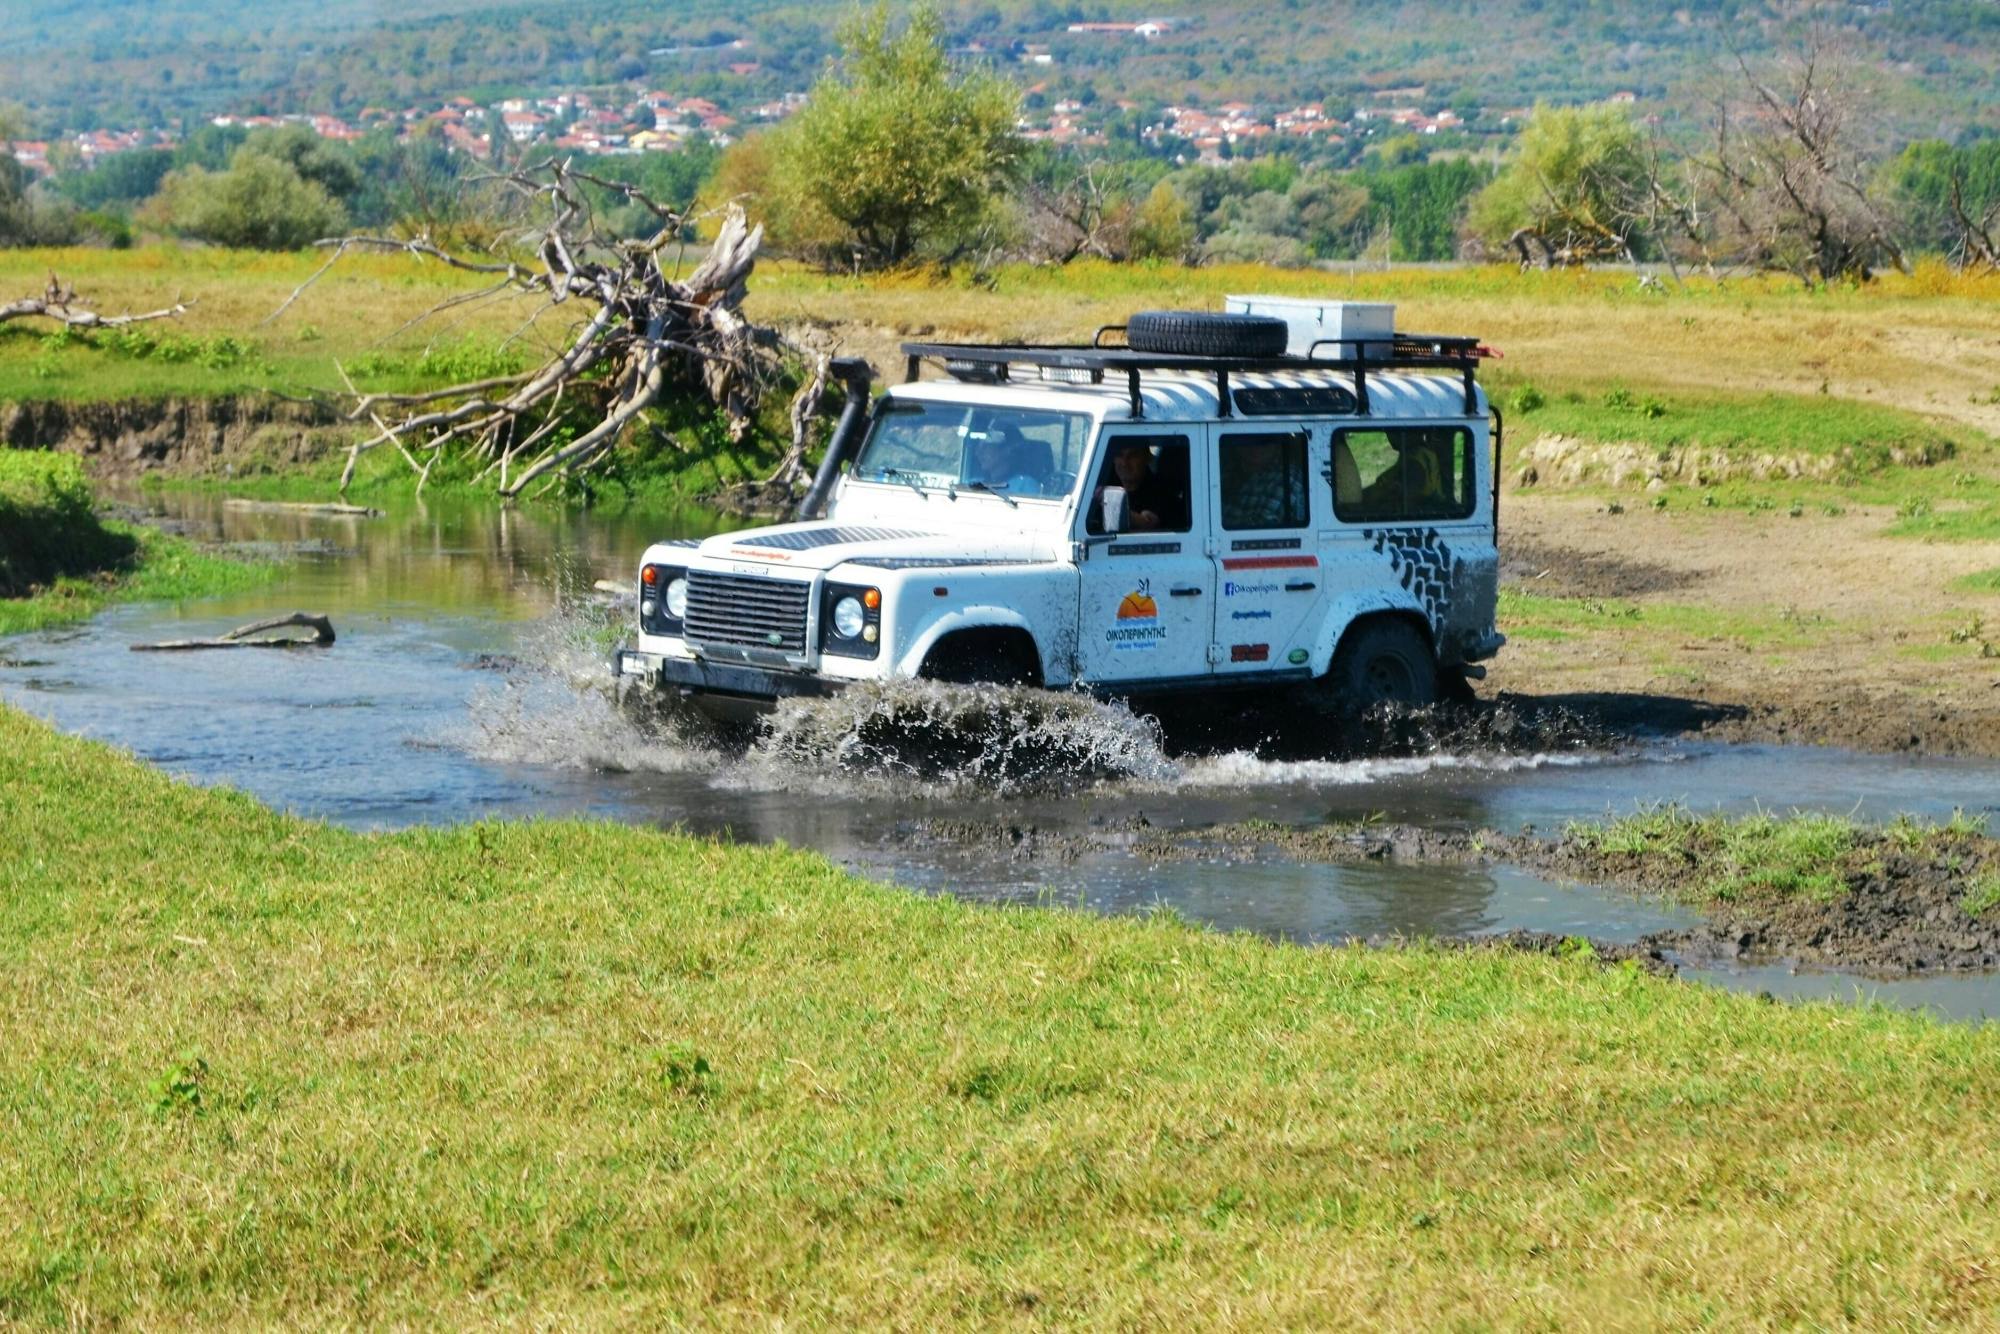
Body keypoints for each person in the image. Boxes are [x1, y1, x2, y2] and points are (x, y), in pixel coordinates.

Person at [1092, 440, 1184, 532]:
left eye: (1132, 455)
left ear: (1146, 458)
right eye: (1119, 455)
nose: (1124, 463)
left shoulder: (1162, 492)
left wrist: (1111, 505)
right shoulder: (1101, 485)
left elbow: (1147, 523)